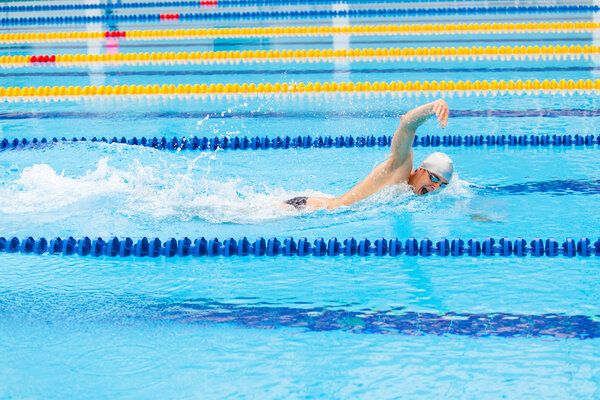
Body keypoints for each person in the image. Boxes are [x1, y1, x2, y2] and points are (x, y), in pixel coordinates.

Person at [285, 98, 453, 211]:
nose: (435, 187)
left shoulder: (409, 191)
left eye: (442, 185)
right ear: (420, 170)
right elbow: (407, 124)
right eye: (434, 178)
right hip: (302, 210)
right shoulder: (399, 167)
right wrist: (433, 106)